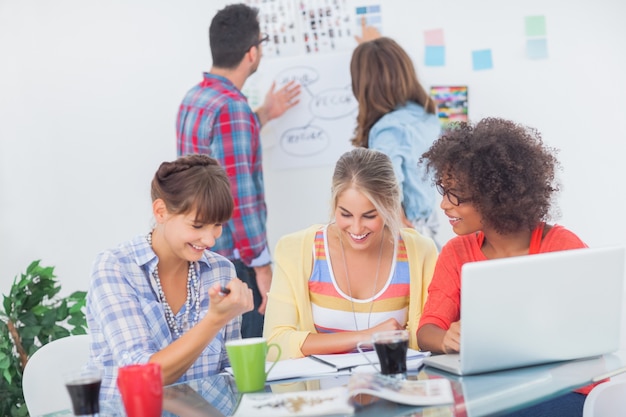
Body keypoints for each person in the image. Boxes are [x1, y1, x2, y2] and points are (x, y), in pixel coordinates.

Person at [417, 117, 591, 416]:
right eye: (442, 191)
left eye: (455, 194)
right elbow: (426, 331)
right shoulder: (456, 253)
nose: (444, 205)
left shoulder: (562, 247)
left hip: (561, 389)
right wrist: (445, 339)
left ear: (494, 197)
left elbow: (590, 329)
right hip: (487, 391)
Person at [176, 3, 301, 338]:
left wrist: (262, 114)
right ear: (251, 53)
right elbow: (238, 198)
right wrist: (261, 265)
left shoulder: (195, 99)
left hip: (202, 255)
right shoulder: (233, 109)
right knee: (248, 360)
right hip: (234, 264)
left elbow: (215, 155)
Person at [87, 154, 254, 400]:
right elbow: (142, 374)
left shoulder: (221, 270)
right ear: (161, 211)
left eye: (218, 225)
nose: (210, 240)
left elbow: (229, 373)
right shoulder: (116, 268)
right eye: (197, 226)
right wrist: (214, 320)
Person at [263, 148, 437, 359]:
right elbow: (275, 343)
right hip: (325, 392)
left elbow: (430, 335)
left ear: (390, 206)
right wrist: (367, 336)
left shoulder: (419, 252)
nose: (356, 228)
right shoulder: (297, 250)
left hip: (395, 388)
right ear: (333, 204)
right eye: (345, 214)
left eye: (369, 216)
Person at [350, 35, 441, 245]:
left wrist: (395, 221)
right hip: (426, 225)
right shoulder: (424, 114)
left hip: (404, 230)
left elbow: (387, 185)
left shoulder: (389, 129)